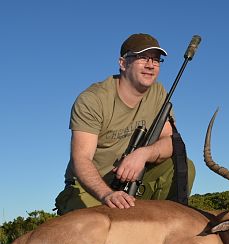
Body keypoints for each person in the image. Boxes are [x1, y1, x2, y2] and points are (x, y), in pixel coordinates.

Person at [54, 33, 195, 215]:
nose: (151, 65)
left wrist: (143, 154)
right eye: (142, 58)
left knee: (183, 167)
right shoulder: (92, 100)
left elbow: (170, 142)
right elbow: (81, 159)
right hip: (93, 187)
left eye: (156, 60)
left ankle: (161, 229)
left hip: (135, 179)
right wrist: (107, 195)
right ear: (123, 63)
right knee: (91, 235)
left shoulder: (159, 94)